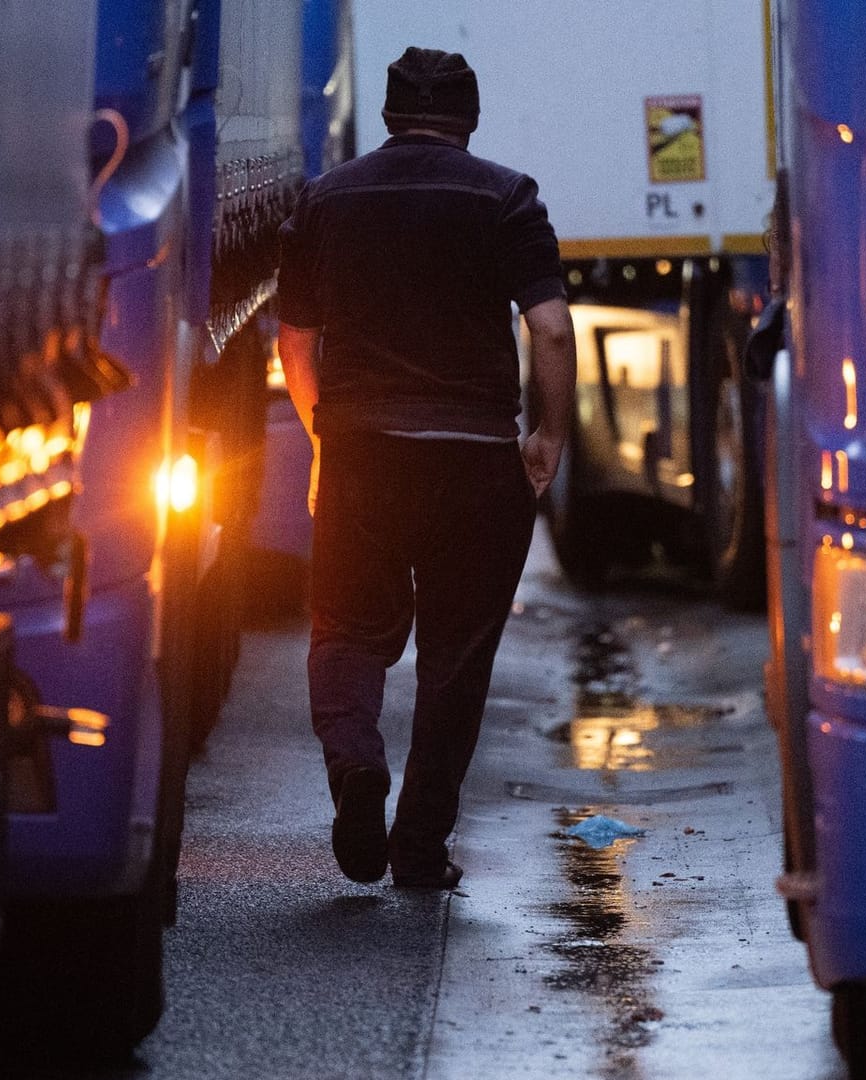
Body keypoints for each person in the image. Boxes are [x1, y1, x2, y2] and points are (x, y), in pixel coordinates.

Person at [275, 46, 576, 889]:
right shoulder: (507, 197)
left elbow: (295, 339)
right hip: (477, 463)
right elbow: (549, 328)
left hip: (364, 453)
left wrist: (324, 433)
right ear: (469, 120)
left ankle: (355, 763)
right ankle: (417, 846)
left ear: (387, 116)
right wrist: (548, 436)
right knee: (456, 657)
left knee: (345, 629)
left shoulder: (326, 200)